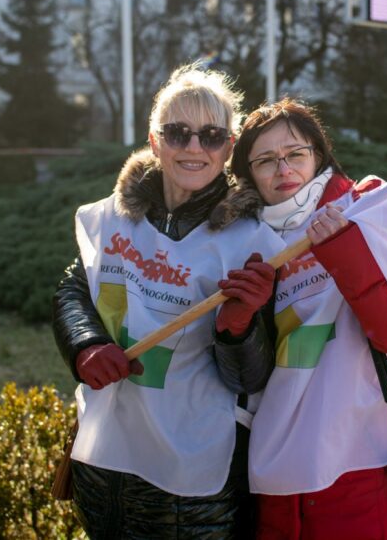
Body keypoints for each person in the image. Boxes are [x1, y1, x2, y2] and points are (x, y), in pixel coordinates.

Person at [51, 65, 285, 539]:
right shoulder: (110, 218)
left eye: (211, 135)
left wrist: (238, 328)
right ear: (155, 141)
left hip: (193, 476)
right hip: (108, 460)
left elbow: (250, 379)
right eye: (177, 133)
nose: (194, 148)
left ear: (230, 146)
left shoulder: (254, 241)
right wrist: (85, 344)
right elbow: (74, 288)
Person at [228, 99, 387, 539]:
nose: (284, 169)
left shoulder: (364, 206)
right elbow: (245, 373)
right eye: (265, 160)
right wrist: (234, 326)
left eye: (295, 153)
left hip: (360, 459)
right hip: (274, 467)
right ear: (248, 175)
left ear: (318, 154)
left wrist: (342, 247)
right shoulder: (241, 241)